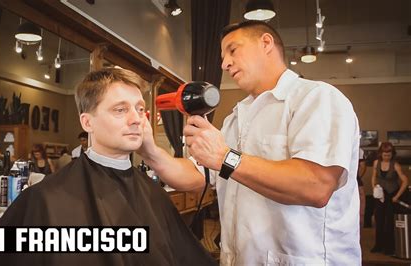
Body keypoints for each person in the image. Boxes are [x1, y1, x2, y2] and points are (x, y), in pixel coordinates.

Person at [138, 20, 361, 265]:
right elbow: (197, 175)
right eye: (223, 57)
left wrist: (224, 157)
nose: (224, 64)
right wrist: (148, 149)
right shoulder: (235, 118)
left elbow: (316, 186)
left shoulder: (316, 99)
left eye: (233, 50)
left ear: (266, 43)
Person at [0, 68, 215, 266]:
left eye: (140, 109)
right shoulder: (45, 198)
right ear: (87, 122)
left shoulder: (153, 195)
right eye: (120, 110)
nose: (136, 119)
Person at [371, 141, 408, 255]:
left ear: (392, 154)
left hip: (392, 195)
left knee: (389, 222)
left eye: (389, 154)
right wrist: (374, 188)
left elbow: (405, 181)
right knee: (379, 220)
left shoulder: (395, 165)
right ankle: (378, 245)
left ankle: (389, 247)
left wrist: (397, 196)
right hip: (381, 195)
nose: (387, 156)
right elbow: (373, 177)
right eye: (385, 154)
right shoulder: (376, 163)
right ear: (381, 154)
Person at [358, 148, 367, 228]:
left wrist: (356, 178)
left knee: (360, 213)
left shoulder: (359, 150)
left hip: (356, 182)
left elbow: (363, 167)